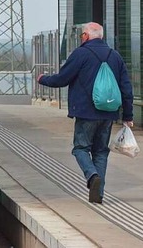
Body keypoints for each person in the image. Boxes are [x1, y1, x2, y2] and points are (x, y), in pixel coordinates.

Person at [37, 22, 133, 204]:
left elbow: (61, 79)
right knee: (101, 152)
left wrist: (43, 79)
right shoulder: (115, 56)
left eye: (82, 35)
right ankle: (98, 194)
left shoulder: (80, 54)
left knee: (80, 148)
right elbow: (126, 88)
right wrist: (128, 115)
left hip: (86, 112)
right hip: (108, 113)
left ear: (86, 36)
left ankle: (92, 175)